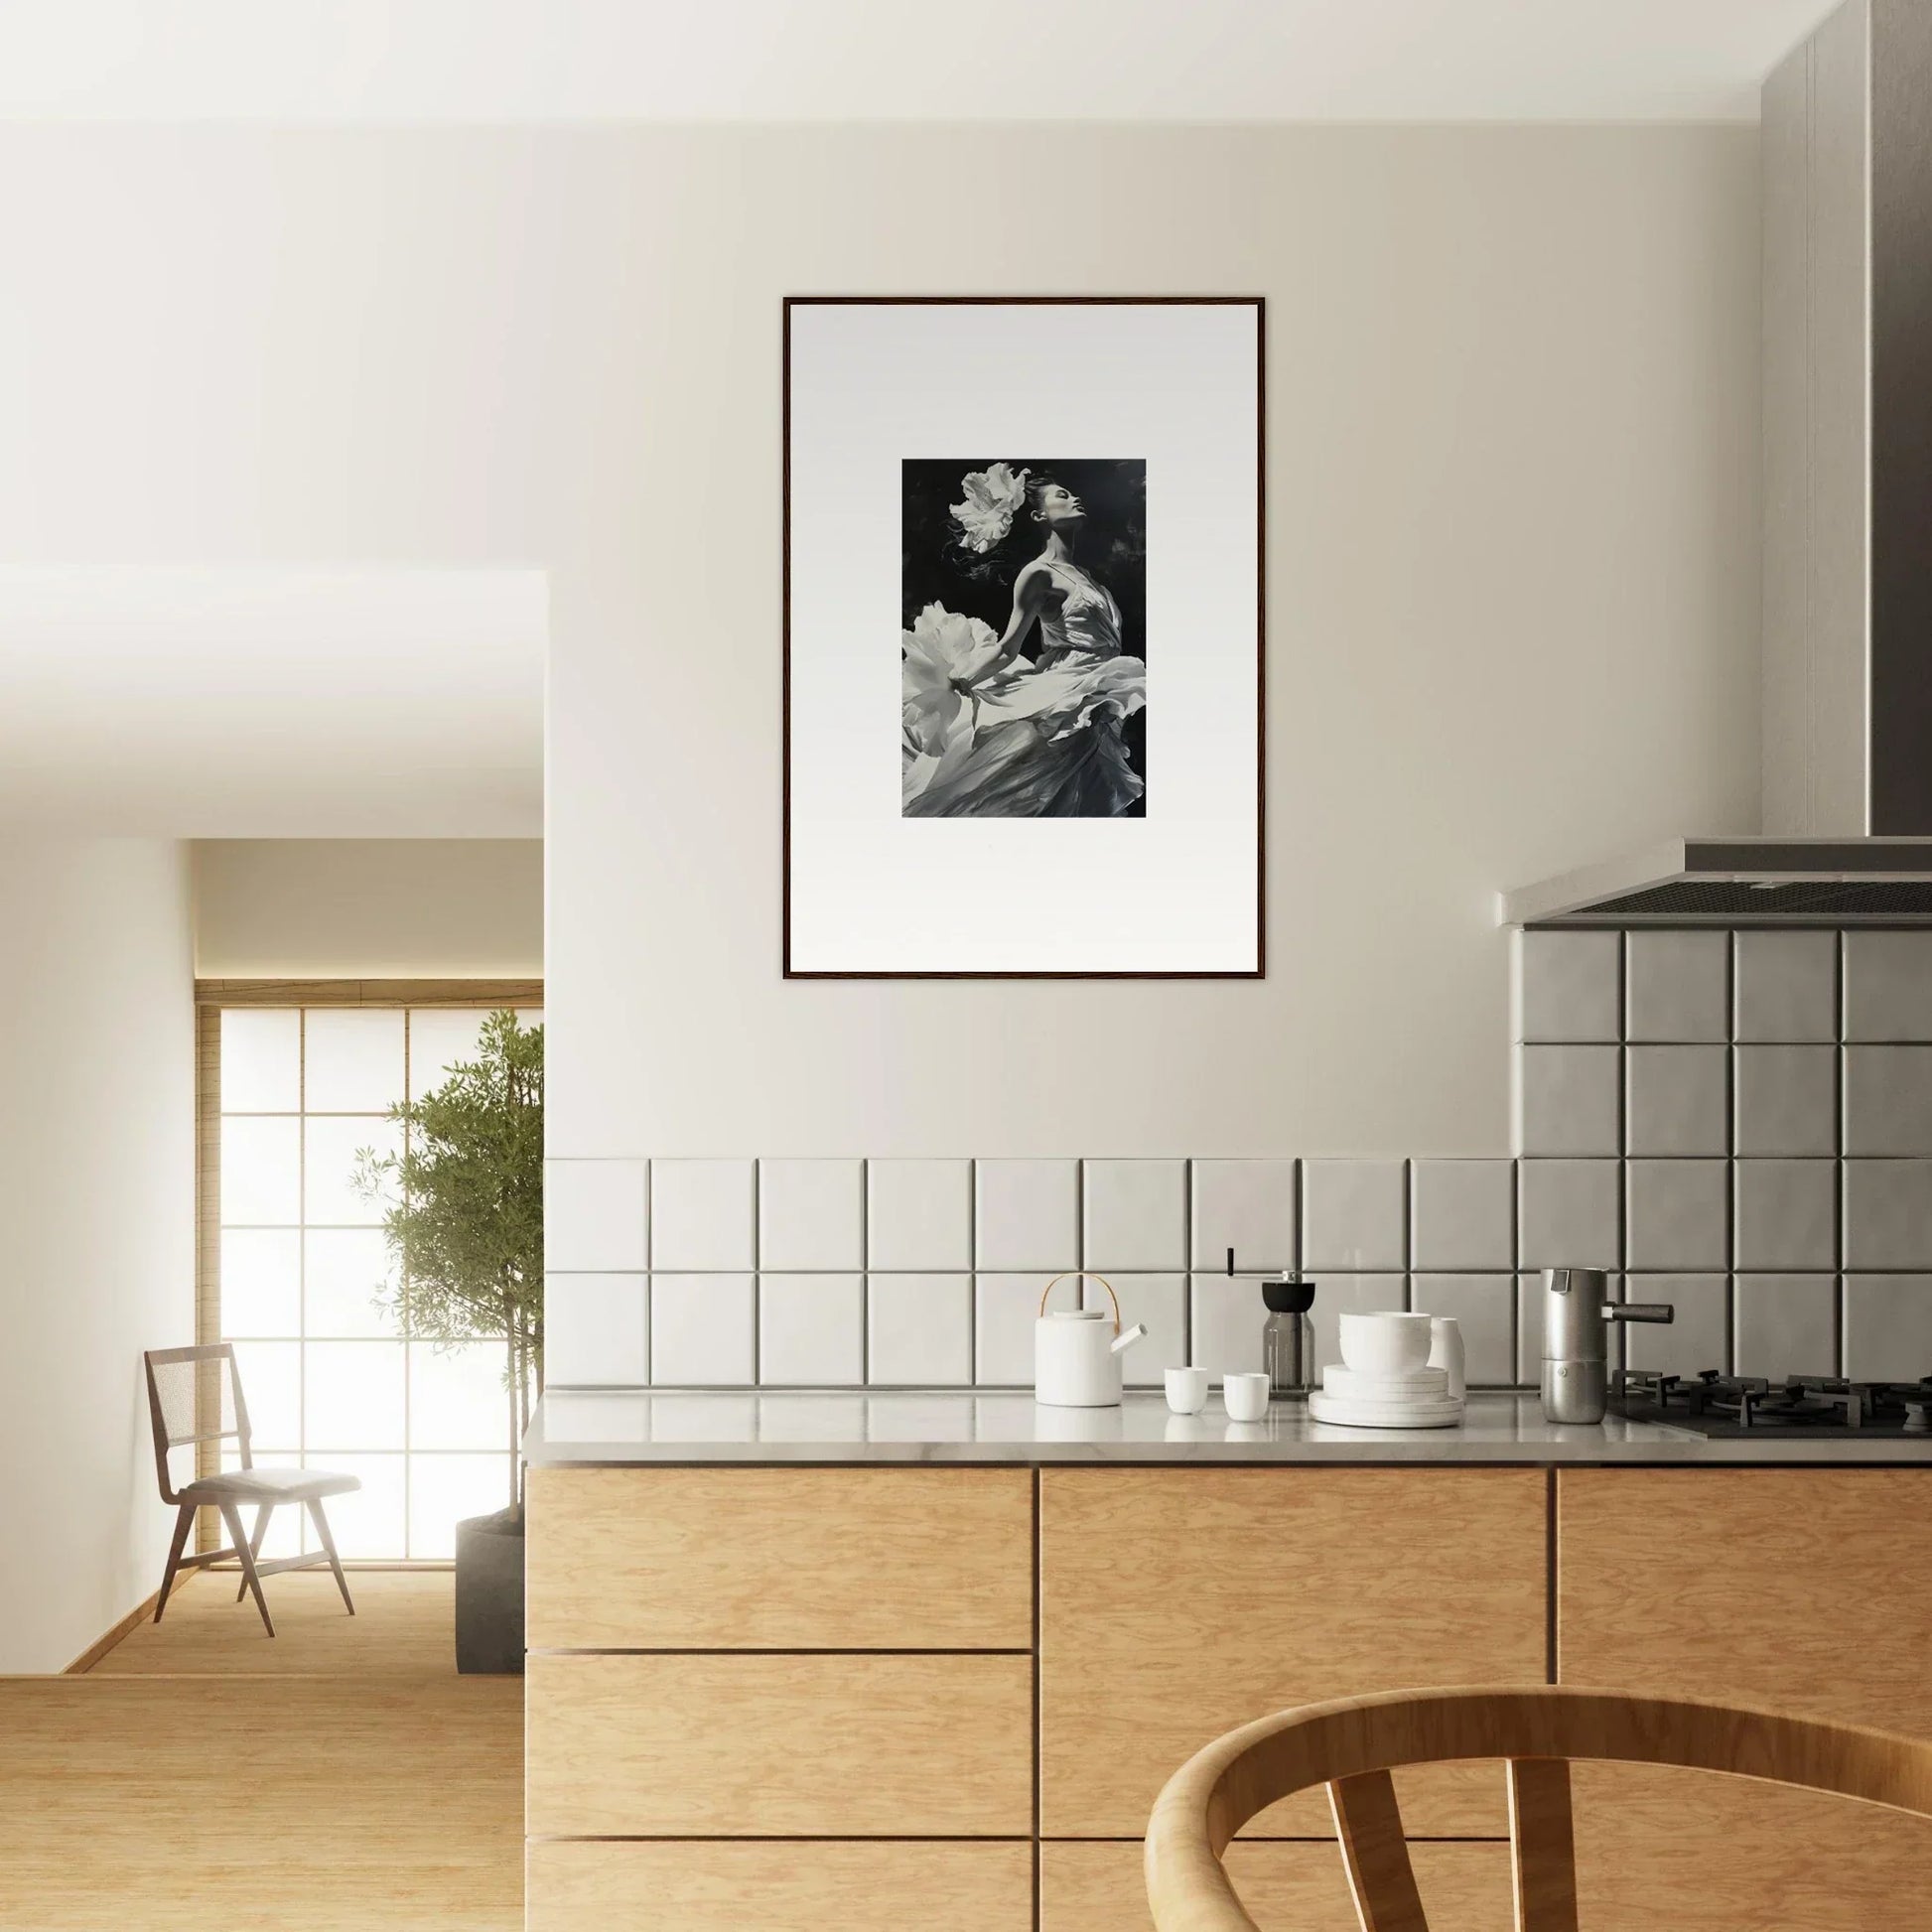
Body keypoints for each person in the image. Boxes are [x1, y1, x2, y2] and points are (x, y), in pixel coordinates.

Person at [901, 466, 1146, 818]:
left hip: (1098, 684)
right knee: (1043, 786)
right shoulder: (1038, 573)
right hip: (1071, 687)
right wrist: (963, 682)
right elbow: (1008, 647)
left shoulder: (1087, 576)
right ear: (1038, 514)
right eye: (1062, 495)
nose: (1075, 497)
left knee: (1080, 791)